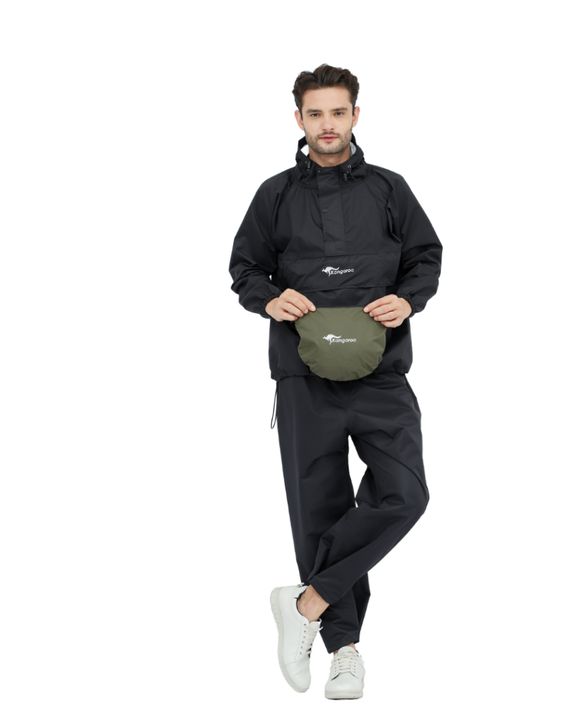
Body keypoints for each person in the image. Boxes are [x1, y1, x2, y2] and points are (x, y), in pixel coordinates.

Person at [228, 63, 443, 699]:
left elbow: (425, 256)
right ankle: (344, 650)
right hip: (303, 377)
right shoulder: (274, 195)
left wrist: (408, 298)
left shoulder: (389, 189)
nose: (327, 124)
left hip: (382, 373)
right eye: (315, 113)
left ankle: (306, 602)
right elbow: (245, 268)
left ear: (355, 115)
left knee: (405, 494)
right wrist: (269, 298)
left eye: (338, 112)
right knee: (319, 510)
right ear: (299, 119)